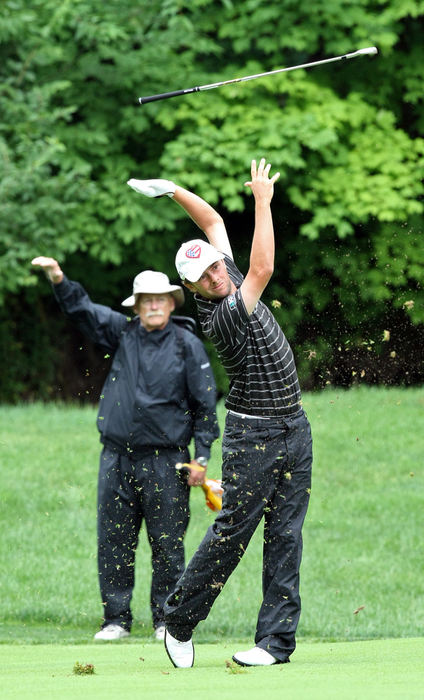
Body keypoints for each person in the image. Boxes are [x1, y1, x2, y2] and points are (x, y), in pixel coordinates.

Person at [128, 158, 313, 667]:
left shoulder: (223, 271)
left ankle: (275, 644)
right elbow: (264, 269)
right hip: (253, 436)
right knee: (233, 531)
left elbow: (211, 223)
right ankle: (179, 622)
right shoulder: (223, 313)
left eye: (214, 265)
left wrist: (172, 189)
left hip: (294, 425)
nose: (215, 275)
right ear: (191, 290)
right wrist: (261, 200)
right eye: (203, 276)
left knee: (286, 535)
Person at [31, 257, 219, 642]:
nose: (152, 305)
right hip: (115, 457)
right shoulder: (123, 333)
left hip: (168, 461)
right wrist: (58, 278)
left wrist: (200, 458)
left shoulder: (187, 345)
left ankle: (166, 620)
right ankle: (115, 619)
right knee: (114, 540)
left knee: (167, 543)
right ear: (135, 306)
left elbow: (205, 406)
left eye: (159, 299)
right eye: (145, 300)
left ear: (171, 303)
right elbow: (83, 311)